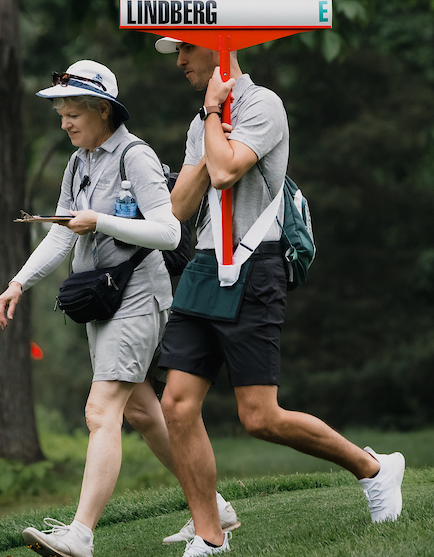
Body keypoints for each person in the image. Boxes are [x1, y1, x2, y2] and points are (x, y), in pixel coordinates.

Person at [153, 37, 406, 557]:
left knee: (259, 417)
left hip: (255, 264)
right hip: (205, 265)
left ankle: (374, 469)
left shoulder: (263, 104)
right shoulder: (200, 123)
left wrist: (213, 115)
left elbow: (228, 171)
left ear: (219, 50)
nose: (179, 62)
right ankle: (210, 536)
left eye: (187, 50)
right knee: (176, 406)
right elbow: (178, 208)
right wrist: (208, 123)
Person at [0, 59, 237, 557]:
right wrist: (18, 282)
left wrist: (100, 221)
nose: (64, 123)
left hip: (139, 298)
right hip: (103, 300)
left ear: (103, 109)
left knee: (100, 410)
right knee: (145, 412)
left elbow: (168, 232)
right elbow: (62, 234)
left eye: (72, 113)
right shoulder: (78, 162)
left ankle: (80, 536)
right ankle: (214, 507)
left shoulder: (135, 156)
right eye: (60, 114)